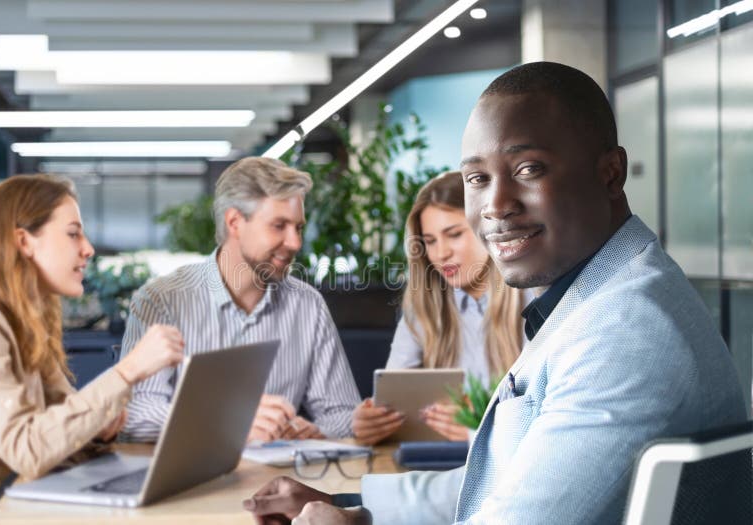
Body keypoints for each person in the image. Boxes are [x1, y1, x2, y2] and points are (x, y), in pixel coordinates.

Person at [243, 62, 748, 525]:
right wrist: (356, 507)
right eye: (477, 179)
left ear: (610, 173)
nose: (496, 205)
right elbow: (508, 482)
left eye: (528, 169)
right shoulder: (601, 295)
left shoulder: (625, 332)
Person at [0, 175, 184, 524]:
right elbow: (26, 449)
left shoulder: (28, 319)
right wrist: (127, 371)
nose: (88, 248)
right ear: (24, 242)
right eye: (73, 233)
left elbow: (53, 436)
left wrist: (96, 430)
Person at [120, 156, 360, 443]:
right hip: (191, 482)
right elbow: (135, 416)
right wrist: (228, 419)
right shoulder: (162, 300)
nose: (295, 242)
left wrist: (316, 430)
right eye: (279, 225)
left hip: (276, 480)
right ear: (235, 222)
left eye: (298, 228)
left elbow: (341, 411)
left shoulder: (308, 305)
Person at [352, 172, 526, 444]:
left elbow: (549, 421)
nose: (441, 253)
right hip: (436, 464)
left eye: (454, 234)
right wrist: (371, 423)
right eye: (430, 241)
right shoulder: (424, 306)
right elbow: (391, 396)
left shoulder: (532, 300)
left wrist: (475, 433)